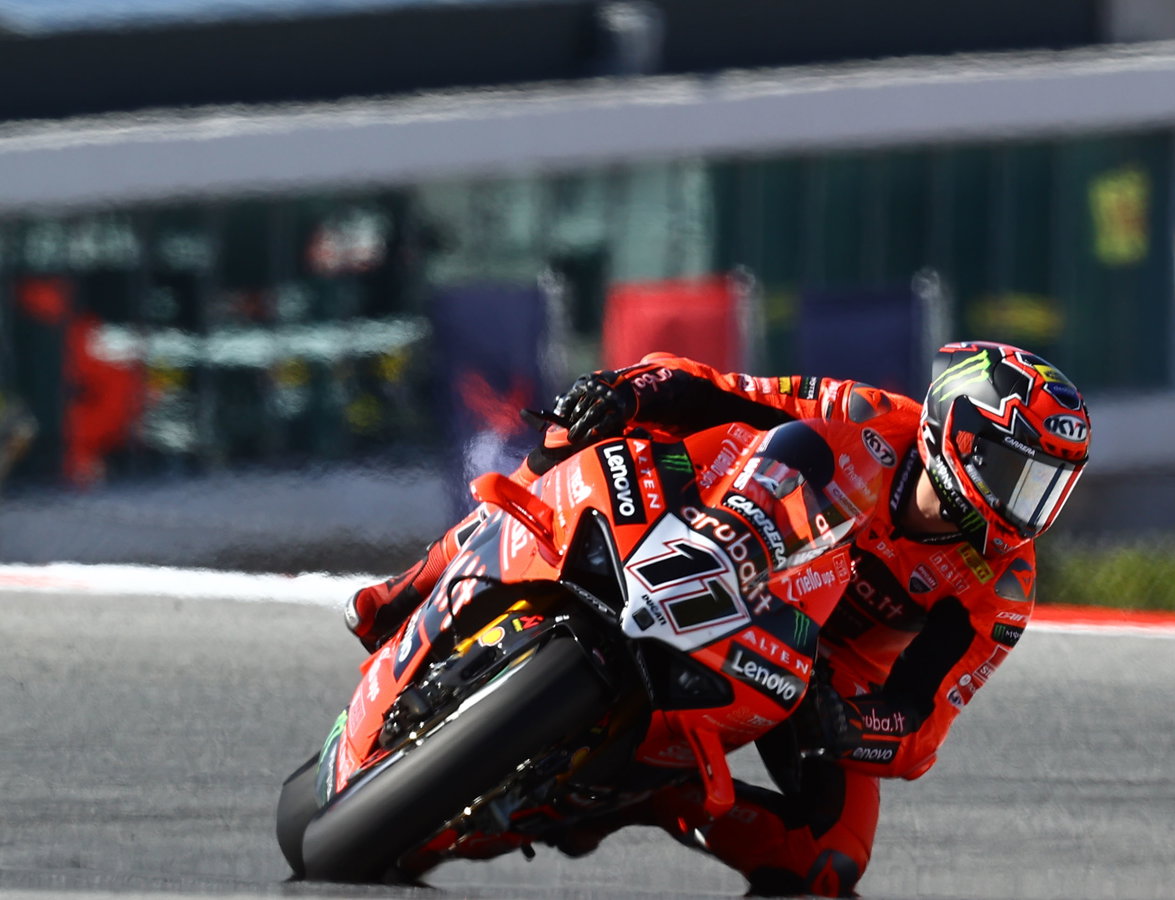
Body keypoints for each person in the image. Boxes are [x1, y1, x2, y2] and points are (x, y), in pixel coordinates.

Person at [345, 341, 1091, 896]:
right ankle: (423, 578)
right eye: (1016, 472)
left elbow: (922, 726)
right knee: (577, 436)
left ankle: (654, 793)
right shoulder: (861, 415)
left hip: (809, 677)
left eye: (1047, 488)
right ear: (957, 434)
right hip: (716, 534)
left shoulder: (1001, 586)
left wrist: (852, 726)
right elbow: (711, 390)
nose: (1028, 506)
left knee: (831, 861)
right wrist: (626, 392)